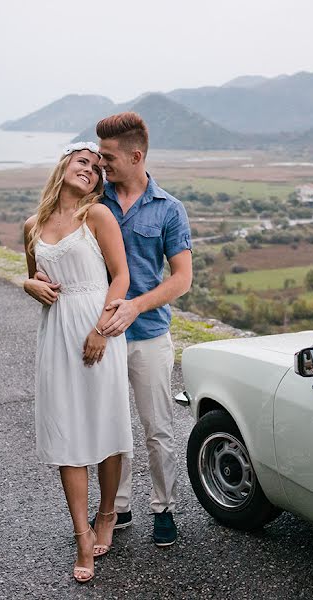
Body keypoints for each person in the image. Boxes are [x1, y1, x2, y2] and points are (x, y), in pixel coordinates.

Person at [22, 142, 132, 583]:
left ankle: (107, 514)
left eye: (97, 167)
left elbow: (121, 276)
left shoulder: (98, 216)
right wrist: (27, 284)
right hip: (56, 335)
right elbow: (35, 276)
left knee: (103, 425)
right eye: (83, 161)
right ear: (64, 165)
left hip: (98, 327)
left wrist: (100, 329)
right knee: (67, 429)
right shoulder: (32, 224)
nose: (90, 169)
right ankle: (82, 535)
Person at [95, 111, 193, 546]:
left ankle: (165, 508)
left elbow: (181, 279)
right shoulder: (92, 201)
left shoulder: (170, 209)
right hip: (104, 336)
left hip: (150, 335)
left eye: (108, 156)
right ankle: (118, 508)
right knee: (112, 428)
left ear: (136, 155)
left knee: (158, 429)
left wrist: (135, 306)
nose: (100, 163)